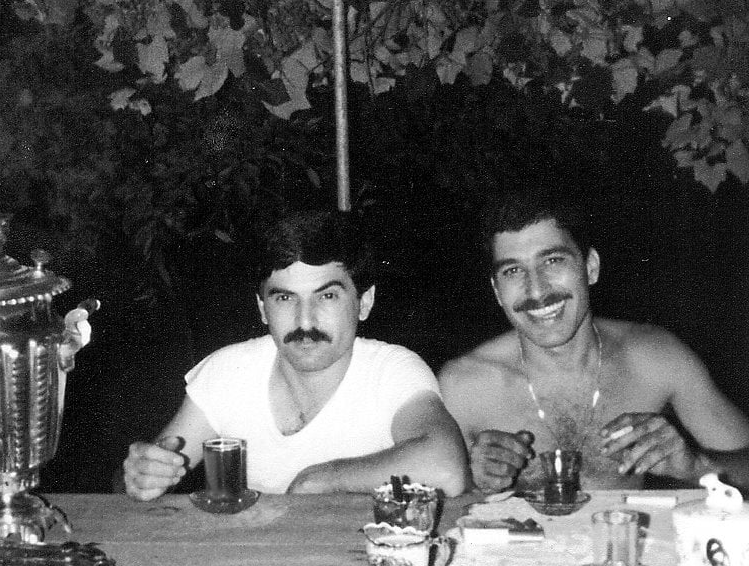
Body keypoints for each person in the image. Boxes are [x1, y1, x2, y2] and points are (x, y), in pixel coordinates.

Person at [123, 209, 468, 499]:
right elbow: (141, 482)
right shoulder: (227, 371)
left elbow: (447, 468)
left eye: (327, 297)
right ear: (262, 308)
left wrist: (320, 479)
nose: (305, 321)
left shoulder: (392, 370)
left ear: (364, 302)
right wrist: (140, 477)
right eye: (284, 298)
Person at [438, 187, 749, 493]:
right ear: (496, 291)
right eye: (513, 270)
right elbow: (417, 499)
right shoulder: (463, 386)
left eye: (553, 261)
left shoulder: (656, 358)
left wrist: (695, 465)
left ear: (591, 267)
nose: (536, 290)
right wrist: (469, 481)